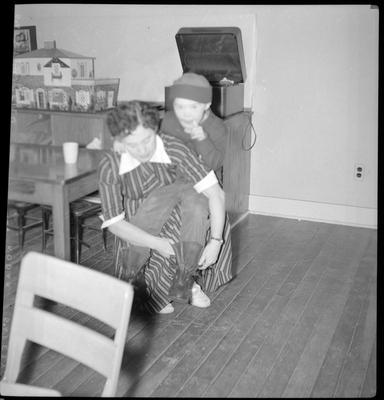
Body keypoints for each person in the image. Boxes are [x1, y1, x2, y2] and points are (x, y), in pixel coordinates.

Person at [98, 100, 232, 315]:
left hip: (181, 196)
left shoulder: (173, 147)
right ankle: (145, 287)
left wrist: (216, 242)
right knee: (144, 222)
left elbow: (216, 194)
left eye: (147, 140)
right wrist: (156, 243)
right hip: (140, 210)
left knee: (195, 214)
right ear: (119, 140)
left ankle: (186, 280)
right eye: (132, 144)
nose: (142, 149)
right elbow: (114, 223)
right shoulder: (110, 164)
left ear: (155, 131)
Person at [161, 72, 228, 184]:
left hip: (204, 184)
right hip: (173, 181)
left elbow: (216, 164)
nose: (186, 114)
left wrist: (203, 140)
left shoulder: (217, 127)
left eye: (194, 107)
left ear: (207, 105)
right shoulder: (168, 121)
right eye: (180, 106)